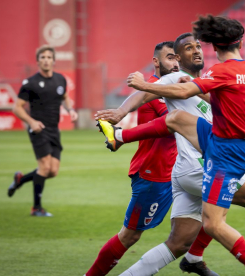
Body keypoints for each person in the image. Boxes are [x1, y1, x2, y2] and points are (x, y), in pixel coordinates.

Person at [96, 31, 245, 276]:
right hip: (201, 166)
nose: (196, 50)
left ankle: (187, 260)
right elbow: (146, 92)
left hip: (185, 171)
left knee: (178, 243)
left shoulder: (211, 83)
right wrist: (120, 112)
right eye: (188, 48)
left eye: (198, 46)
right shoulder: (176, 77)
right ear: (178, 57)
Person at [84, 41, 179, 276]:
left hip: (176, 172)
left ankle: (196, 261)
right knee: (130, 235)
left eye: (177, 57)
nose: (175, 63)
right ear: (156, 62)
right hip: (154, 173)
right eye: (169, 58)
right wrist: (121, 123)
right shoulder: (156, 90)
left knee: (204, 220)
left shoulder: (173, 88)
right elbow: (176, 121)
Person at [8, 45, 78, 217]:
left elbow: (65, 98)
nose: (46, 60)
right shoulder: (30, 83)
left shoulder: (60, 79)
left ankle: (20, 180)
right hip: (38, 129)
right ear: (38, 61)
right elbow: (17, 108)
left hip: (54, 130)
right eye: (43, 57)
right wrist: (31, 122)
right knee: (45, 167)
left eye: (49, 57)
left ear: (54, 61)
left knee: (52, 171)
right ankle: (36, 208)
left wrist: (70, 110)